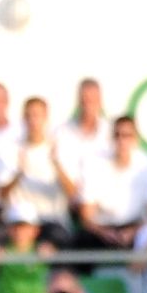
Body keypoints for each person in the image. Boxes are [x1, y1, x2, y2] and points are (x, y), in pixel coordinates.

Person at [74, 115, 147, 250]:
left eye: (127, 136)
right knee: (81, 241)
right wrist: (104, 232)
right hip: (101, 228)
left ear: (136, 139)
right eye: (117, 135)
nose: (121, 141)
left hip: (136, 228)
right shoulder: (95, 164)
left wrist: (133, 232)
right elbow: (86, 216)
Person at [0, 98, 70, 245]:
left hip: (50, 221)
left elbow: (72, 192)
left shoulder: (60, 148)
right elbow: (1, 194)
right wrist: (18, 174)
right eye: (28, 116)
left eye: (37, 115)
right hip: (18, 223)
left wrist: (56, 164)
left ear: (46, 118)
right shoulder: (11, 149)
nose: (32, 121)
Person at [51, 77, 112, 208]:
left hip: (102, 208)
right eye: (84, 100)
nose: (88, 105)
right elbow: (59, 168)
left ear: (100, 102)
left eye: (92, 100)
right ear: (78, 101)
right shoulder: (61, 132)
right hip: (66, 207)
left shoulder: (111, 132)